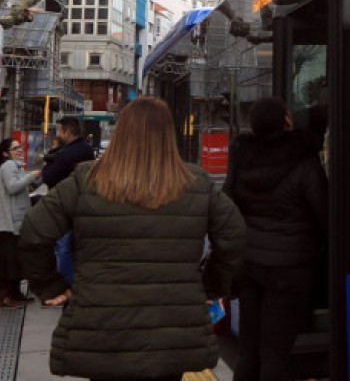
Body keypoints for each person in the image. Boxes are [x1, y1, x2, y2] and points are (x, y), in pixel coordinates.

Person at [18, 97, 246, 381]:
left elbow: (32, 232)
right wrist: (211, 285)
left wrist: (50, 285)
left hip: (102, 327)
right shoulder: (195, 182)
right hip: (171, 329)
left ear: (121, 133)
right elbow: (234, 236)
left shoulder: (86, 180)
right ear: (168, 135)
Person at [224, 96, 328, 381]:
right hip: (290, 270)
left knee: (249, 350)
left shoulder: (242, 157)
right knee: (275, 354)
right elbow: (324, 214)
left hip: (249, 267)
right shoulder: (303, 161)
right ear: (285, 122)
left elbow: (227, 205)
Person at [40, 116, 95, 284]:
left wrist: (47, 165)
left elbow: (49, 177)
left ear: (67, 131)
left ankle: (65, 284)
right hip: (84, 203)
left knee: (63, 247)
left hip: (65, 205)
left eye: (60, 131)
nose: (59, 135)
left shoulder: (67, 153)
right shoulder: (86, 149)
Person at [0, 139, 41, 308]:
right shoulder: (9, 166)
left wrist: (32, 183)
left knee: (14, 260)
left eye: (20, 147)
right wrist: (30, 177)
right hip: (9, 223)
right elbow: (12, 187)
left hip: (13, 221)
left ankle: (15, 293)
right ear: (6, 153)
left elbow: (18, 189)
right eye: (15, 148)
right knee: (8, 261)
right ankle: (5, 296)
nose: (19, 150)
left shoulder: (14, 166)